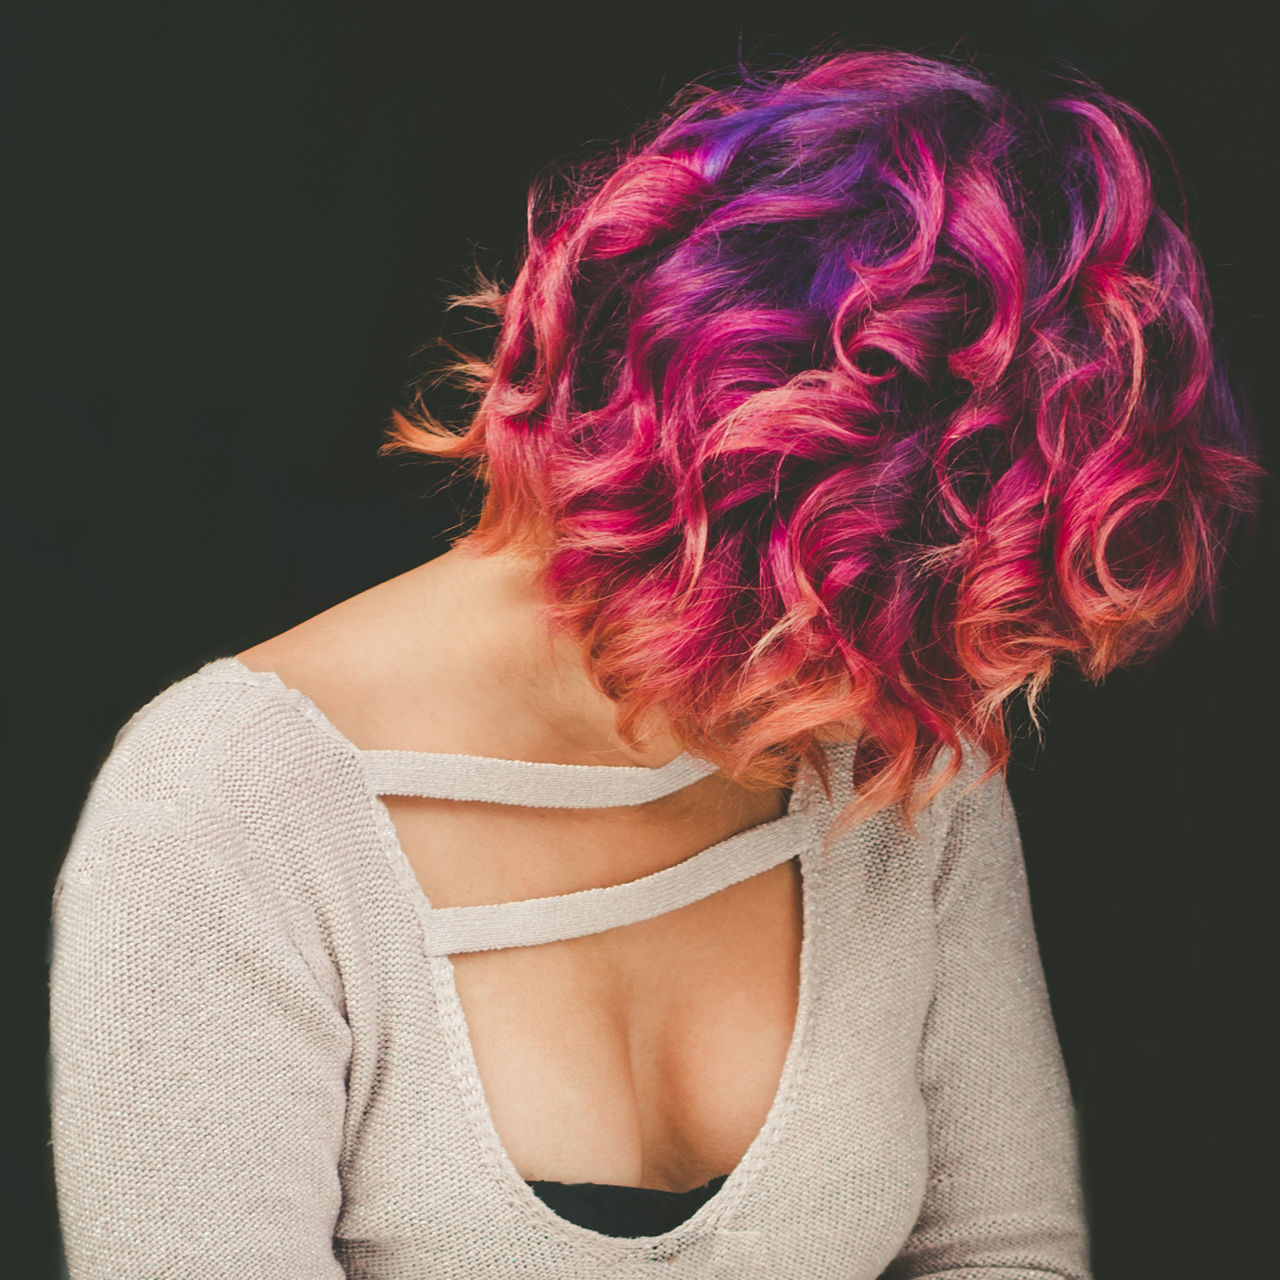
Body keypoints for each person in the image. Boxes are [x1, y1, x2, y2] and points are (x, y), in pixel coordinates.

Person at [48, 46, 1259, 1279]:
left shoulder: (903, 759)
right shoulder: (223, 812)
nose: (936, 706)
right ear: (715, 505)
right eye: (886, 632)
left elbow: (1000, 1246)